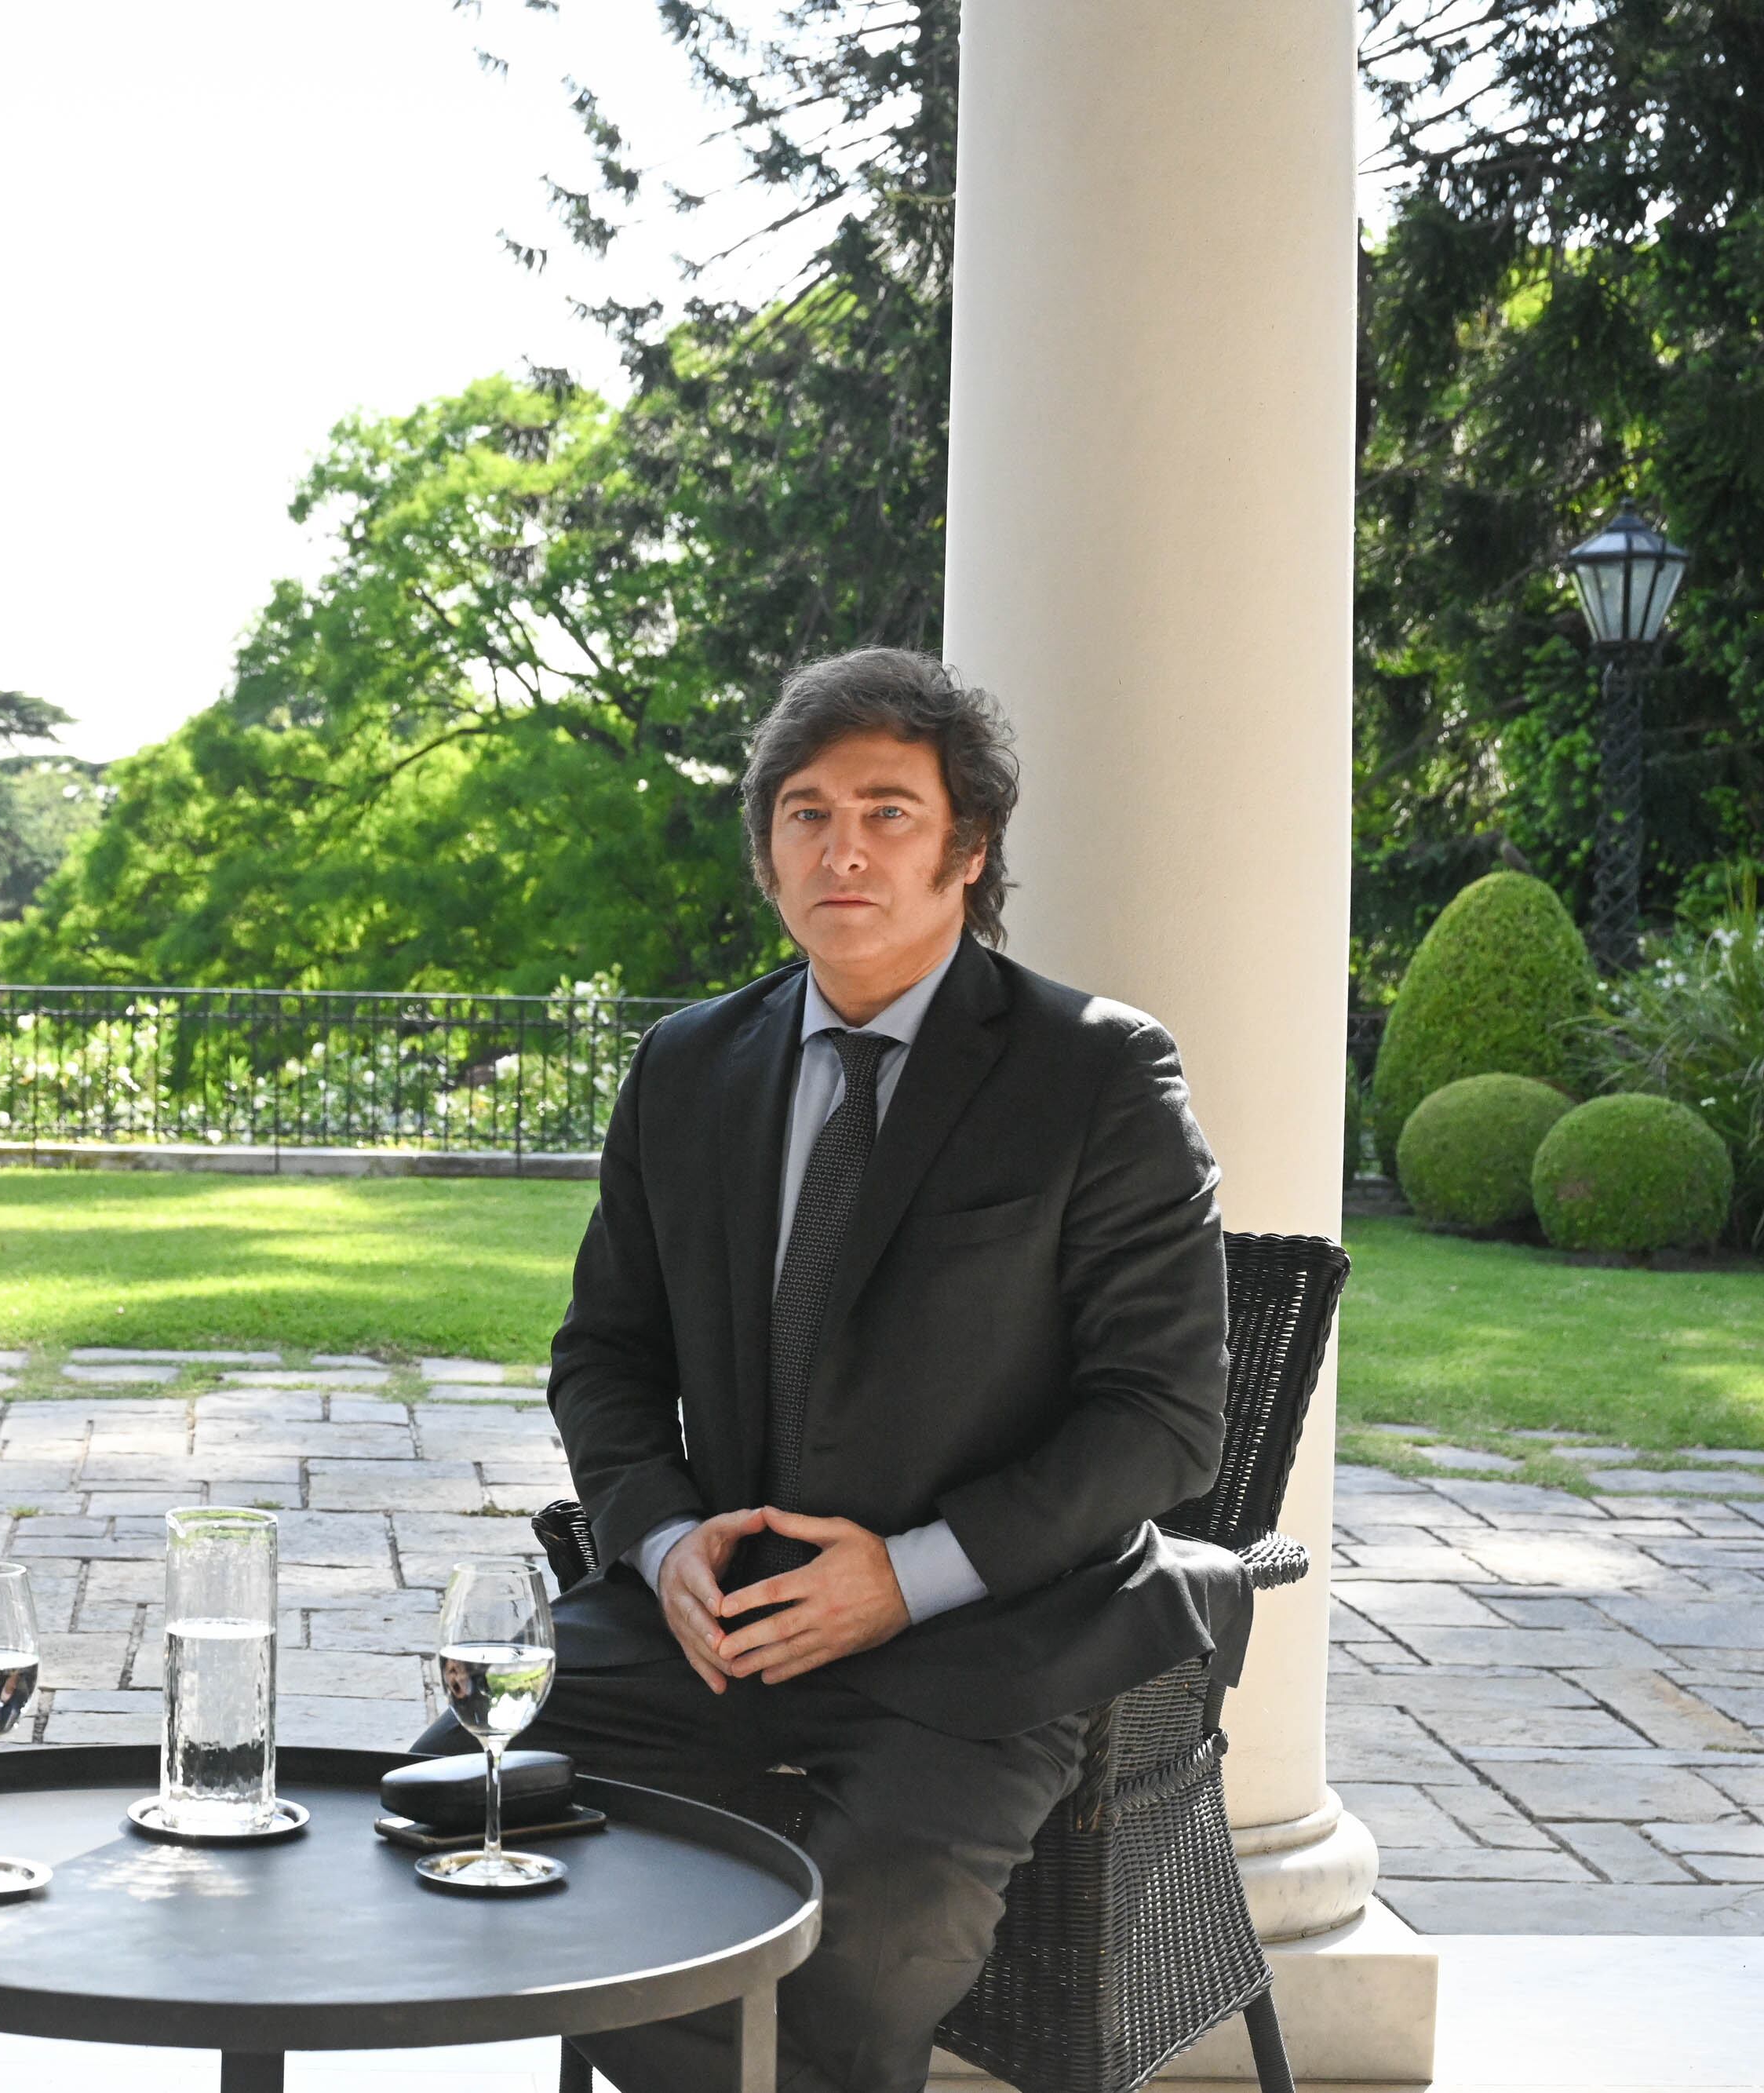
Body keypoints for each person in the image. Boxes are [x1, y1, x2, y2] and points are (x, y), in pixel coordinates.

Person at [415, 650, 1249, 2092]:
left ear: (967, 851)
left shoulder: (1096, 1073)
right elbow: (604, 1357)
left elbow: (1165, 1421)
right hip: (710, 1628)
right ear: (768, 856)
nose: (841, 847)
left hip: (981, 1638)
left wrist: (904, 1573)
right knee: (440, 1821)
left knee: (855, 1949)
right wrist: (663, 1539)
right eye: (805, 813)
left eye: (887, 811)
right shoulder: (686, 1066)